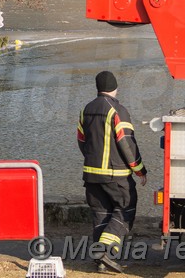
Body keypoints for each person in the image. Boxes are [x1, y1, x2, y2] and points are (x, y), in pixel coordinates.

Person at [76, 70, 147, 273]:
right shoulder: (117, 110)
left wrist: (93, 160)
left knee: (101, 214)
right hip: (115, 175)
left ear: (98, 88)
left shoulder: (86, 110)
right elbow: (126, 143)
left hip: (91, 174)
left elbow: (81, 141)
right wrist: (139, 169)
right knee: (125, 210)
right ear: (115, 87)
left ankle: (100, 261)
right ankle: (104, 251)